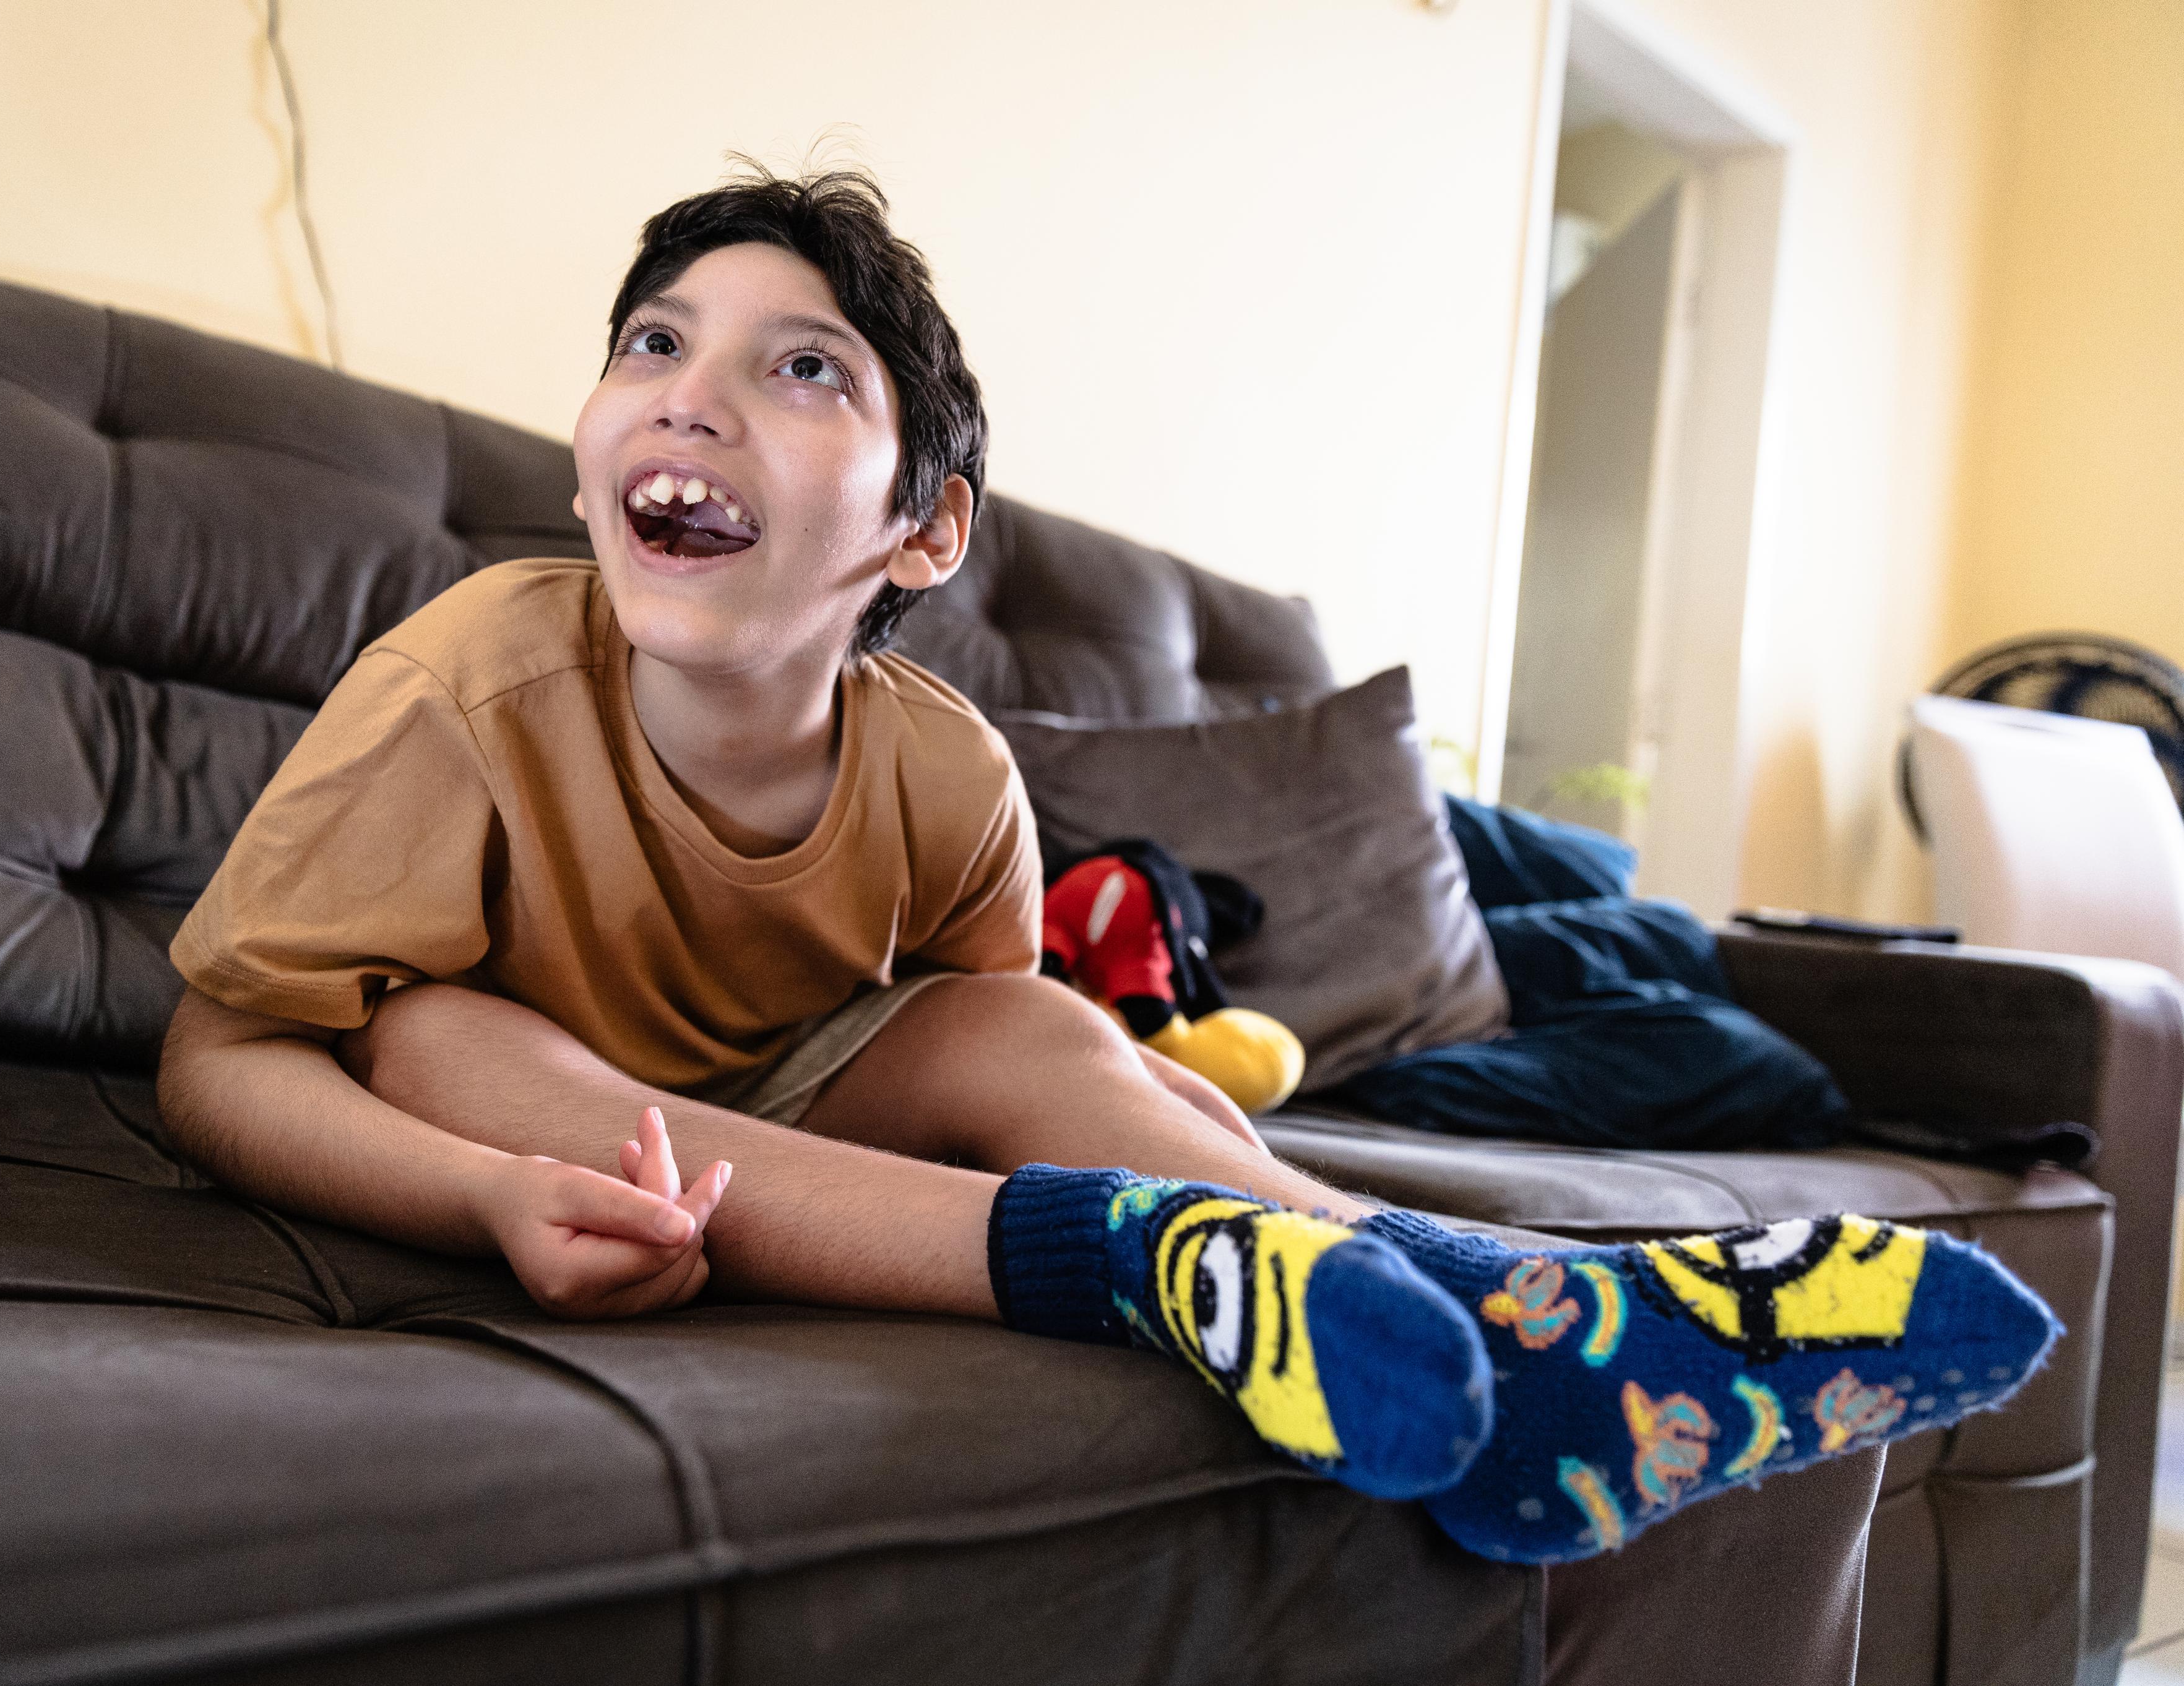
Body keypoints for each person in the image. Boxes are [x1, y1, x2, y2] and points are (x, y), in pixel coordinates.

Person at [157, 166, 2056, 1564]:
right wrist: (489, 1195)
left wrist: (1153, 1108)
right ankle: (1168, 1266)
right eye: (653, 346)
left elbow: (1006, 1053)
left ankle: (1481, 1297)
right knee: (448, 1036)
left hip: (800, 1102)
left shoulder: (944, 770)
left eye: (801, 368)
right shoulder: (473, 676)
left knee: (1021, 1024)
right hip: (547, 1115)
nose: (690, 391)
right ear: (593, 464)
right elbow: (221, 1056)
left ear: (921, 532)